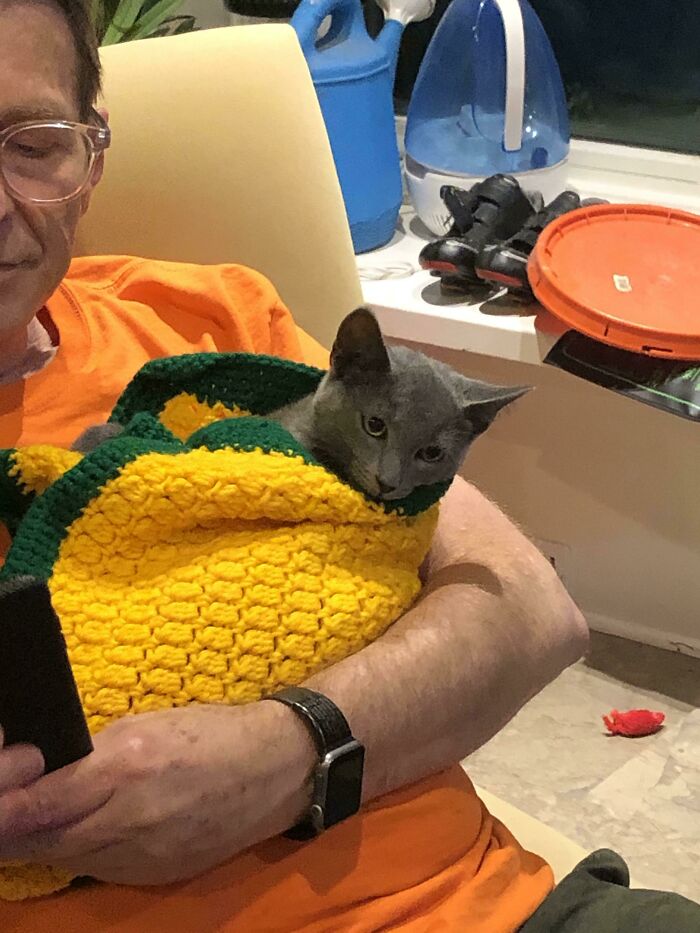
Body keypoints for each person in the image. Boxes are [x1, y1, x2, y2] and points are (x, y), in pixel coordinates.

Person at [0, 2, 695, 931]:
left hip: (486, 909)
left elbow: (532, 612)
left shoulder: (211, 329)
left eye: (31, 142)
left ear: (92, 157)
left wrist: (287, 751)